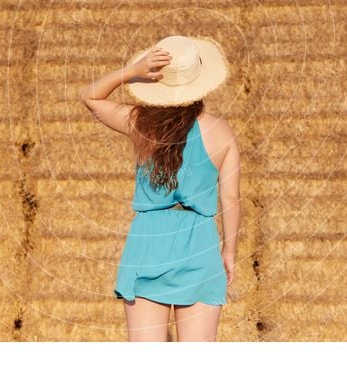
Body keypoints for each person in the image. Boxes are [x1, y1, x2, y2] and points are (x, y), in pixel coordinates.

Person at [79, 35, 241, 342]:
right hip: (200, 244)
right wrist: (229, 251)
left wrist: (132, 71)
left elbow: (90, 96)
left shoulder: (141, 123)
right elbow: (231, 199)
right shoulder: (221, 130)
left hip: (149, 242)